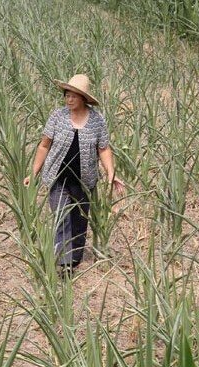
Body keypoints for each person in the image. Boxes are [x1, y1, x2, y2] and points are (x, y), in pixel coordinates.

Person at [23, 74, 124, 278]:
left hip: (84, 180)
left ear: (83, 98)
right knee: (62, 216)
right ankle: (64, 263)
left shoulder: (96, 120)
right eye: (66, 95)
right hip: (57, 177)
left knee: (79, 220)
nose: (68, 100)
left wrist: (111, 173)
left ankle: (75, 257)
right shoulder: (57, 116)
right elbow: (44, 145)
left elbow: (103, 149)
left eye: (73, 96)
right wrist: (33, 172)